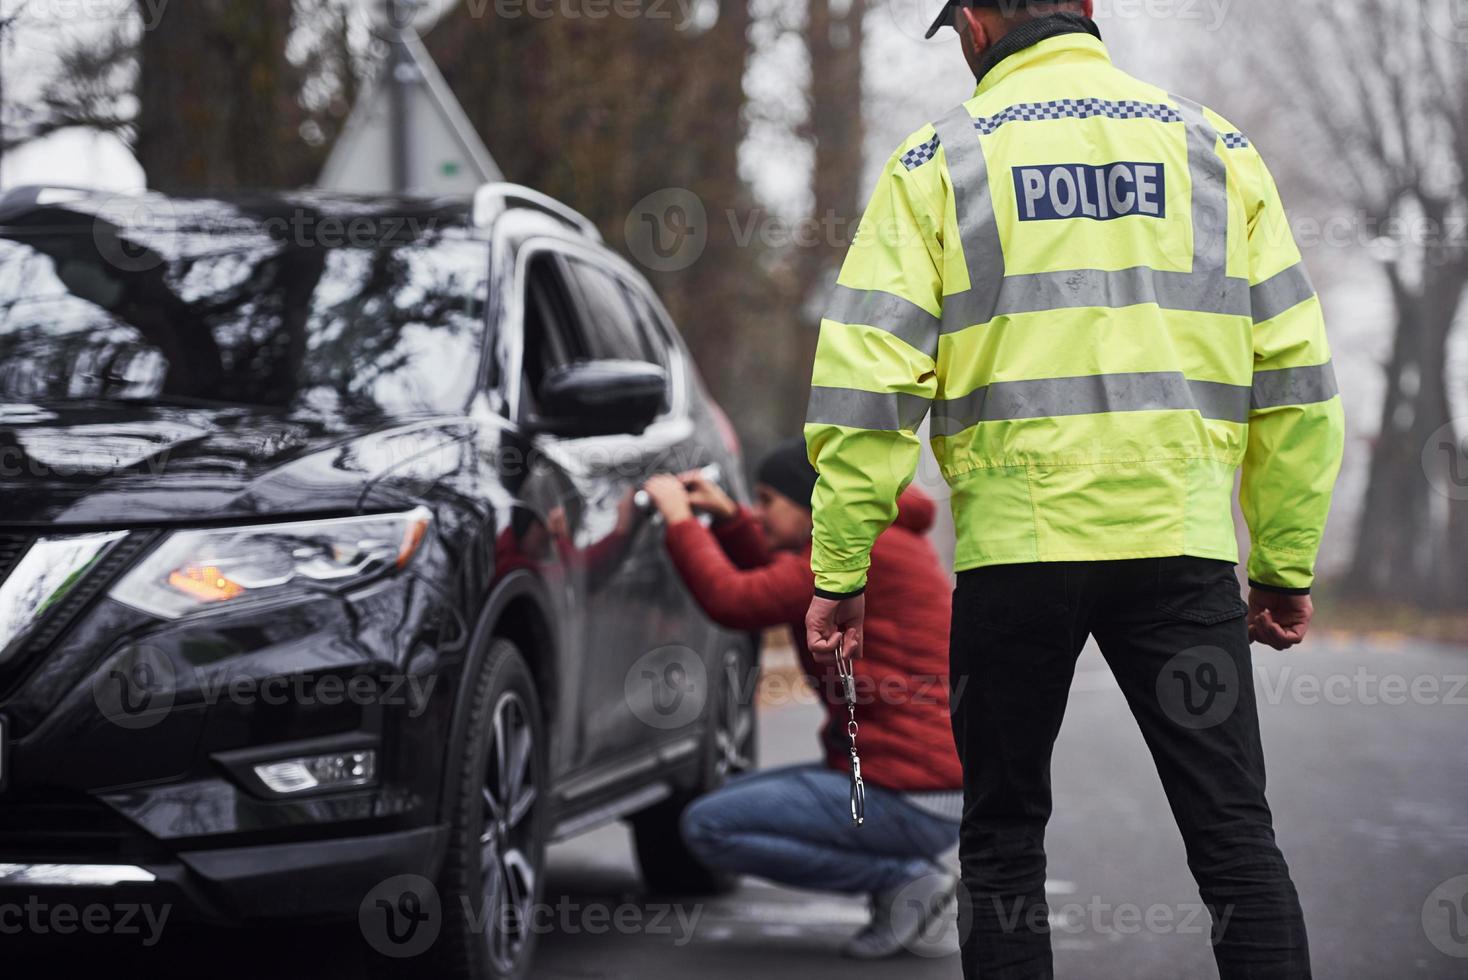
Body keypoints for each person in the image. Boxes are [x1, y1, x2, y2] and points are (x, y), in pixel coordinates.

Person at [800, 3, 1346, 979]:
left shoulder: (938, 163)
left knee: (1004, 837)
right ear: (1086, 9)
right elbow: (1296, 375)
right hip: (1178, 555)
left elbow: (867, 385)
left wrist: (841, 567)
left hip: (1016, 557)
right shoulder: (1214, 149)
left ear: (973, 23)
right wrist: (1280, 559)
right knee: (1234, 844)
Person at [639, 439, 964, 959]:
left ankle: (902, 879)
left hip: (909, 793)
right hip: (923, 784)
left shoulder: (848, 556)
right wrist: (728, 519)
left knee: (709, 827)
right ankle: (901, 880)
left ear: (812, 502)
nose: (758, 512)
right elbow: (780, 576)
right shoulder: (874, 539)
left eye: (766, 500)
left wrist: (679, 522)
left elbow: (737, 599)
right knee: (725, 802)